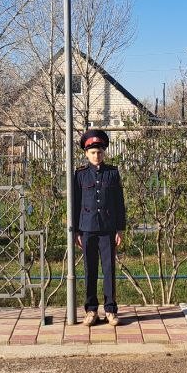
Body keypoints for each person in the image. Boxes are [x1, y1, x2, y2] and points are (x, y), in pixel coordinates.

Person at [72, 128, 125, 327]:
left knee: (109, 269)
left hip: (108, 228)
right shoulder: (80, 175)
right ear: (86, 153)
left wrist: (120, 229)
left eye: (100, 152)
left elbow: (119, 202)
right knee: (90, 270)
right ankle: (91, 310)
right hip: (87, 229)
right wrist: (77, 230)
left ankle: (110, 310)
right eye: (93, 152)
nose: (97, 155)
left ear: (104, 153)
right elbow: (75, 204)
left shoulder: (112, 173)